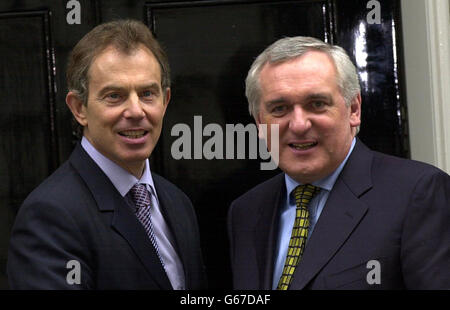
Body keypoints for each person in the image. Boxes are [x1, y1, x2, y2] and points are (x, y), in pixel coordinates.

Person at [228, 36, 450, 290]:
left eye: (317, 104)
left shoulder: (417, 194)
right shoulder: (246, 211)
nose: (299, 124)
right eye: (279, 108)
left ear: (353, 109)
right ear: (259, 123)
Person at [7, 19, 206, 290]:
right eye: (114, 96)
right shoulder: (50, 217)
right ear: (79, 108)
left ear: (165, 100)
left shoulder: (177, 202)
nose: (136, 111)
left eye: (147, 93)